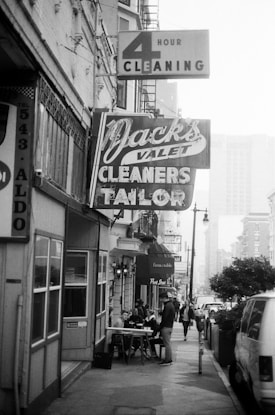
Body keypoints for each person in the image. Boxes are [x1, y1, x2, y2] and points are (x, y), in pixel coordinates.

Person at [158, 291, 175, 366]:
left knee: (167, 344)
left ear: (164, 298)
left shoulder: (167, 306)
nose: (160, 300)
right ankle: (168, 359)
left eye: (161, 299)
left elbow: (165, 317)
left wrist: (160, 326)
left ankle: (168, 360)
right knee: (167, 343)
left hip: (166, 327)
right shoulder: (170, 305)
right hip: (169, 326)